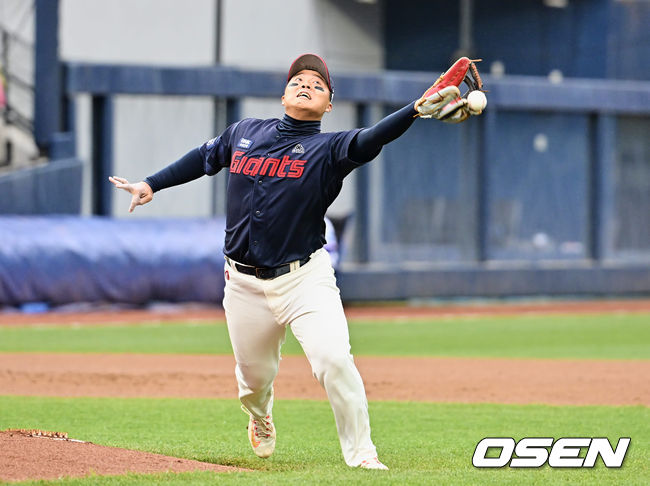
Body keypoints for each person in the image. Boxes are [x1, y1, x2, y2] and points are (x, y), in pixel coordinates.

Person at [110, 53, 478, 470]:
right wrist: (151, 184)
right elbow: (203, 157)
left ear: (328, 105)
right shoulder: (244, 132)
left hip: (304, 279)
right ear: (284, 94)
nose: (306, 85)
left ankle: (362, 457)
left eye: (318, 85)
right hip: (243, 283)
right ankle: (260, 416)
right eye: (299, 80)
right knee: (253, 383)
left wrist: (413, 110)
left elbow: (372, 138)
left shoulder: (331, 148)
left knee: (334, 361)